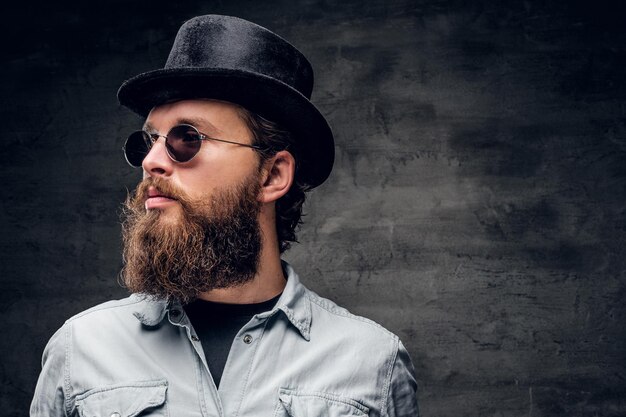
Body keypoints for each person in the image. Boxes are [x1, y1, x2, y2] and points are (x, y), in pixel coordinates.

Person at [30, 15, 419, 417]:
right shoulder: (80, 350)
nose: (151, 161)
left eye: (187, 138)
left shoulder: (373, 366)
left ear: (272, 175)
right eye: (147, 141)